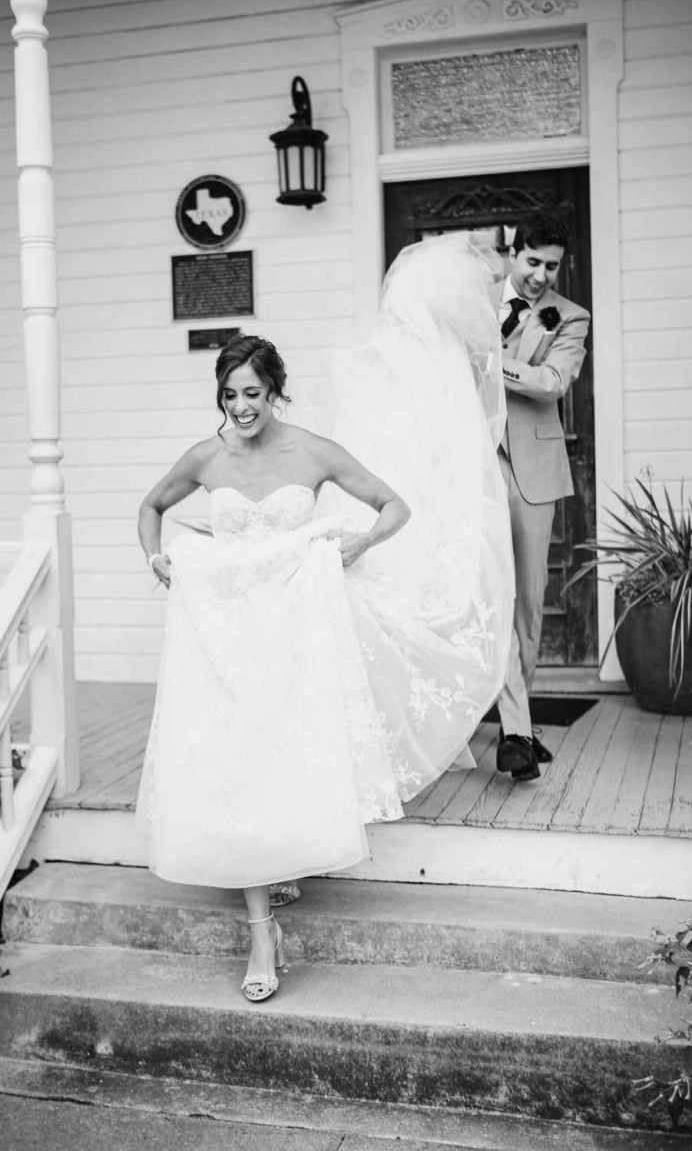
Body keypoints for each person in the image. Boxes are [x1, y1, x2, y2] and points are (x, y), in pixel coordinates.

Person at [135, 232, 515, 1004]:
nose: (240, 408)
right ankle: (258, 928)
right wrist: (157, 557)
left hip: (297, 630)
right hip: (221, 635)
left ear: (276, 392)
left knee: (281, 754)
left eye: (253, 394)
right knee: (235, 758)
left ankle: (278, 872)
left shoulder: (312, 451)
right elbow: (150, 508)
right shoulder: (204, 460)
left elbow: (393, 505)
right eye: (230, 395)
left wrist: (353, 547)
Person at [493, 214, 590, 782]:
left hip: (532, 468)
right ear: (515, 252)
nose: (540, 275)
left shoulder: (570, 316)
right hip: (466, 467)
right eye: (532, 262)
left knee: (527, 602)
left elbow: (552, 381)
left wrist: (486, 359)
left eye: (551, 266)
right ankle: (518, 731)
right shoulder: (470, 300)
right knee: (479, 593)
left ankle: (516, 726)